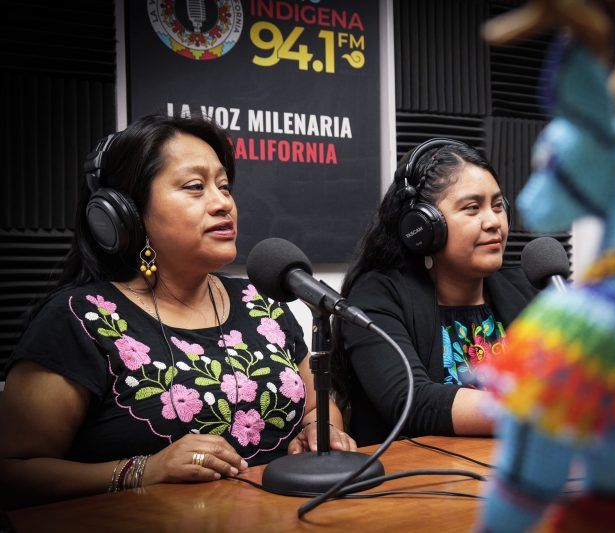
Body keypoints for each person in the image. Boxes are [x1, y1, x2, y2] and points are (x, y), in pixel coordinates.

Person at [0, 115, 356, 509]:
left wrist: (319, 430)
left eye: (224, 186)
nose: (222, 203)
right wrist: (143, 470)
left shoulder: (261, 301)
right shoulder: (79, 319)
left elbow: (315, 405)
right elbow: (15, 472)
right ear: (126, 212)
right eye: (195, 187)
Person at [333, 139, 538, 446]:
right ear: (423, 225)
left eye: (498, 206)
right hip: (418, 473)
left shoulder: (521, 287)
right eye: (472, 208)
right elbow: (413, 402)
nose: (494, 222)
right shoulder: (377, 296)